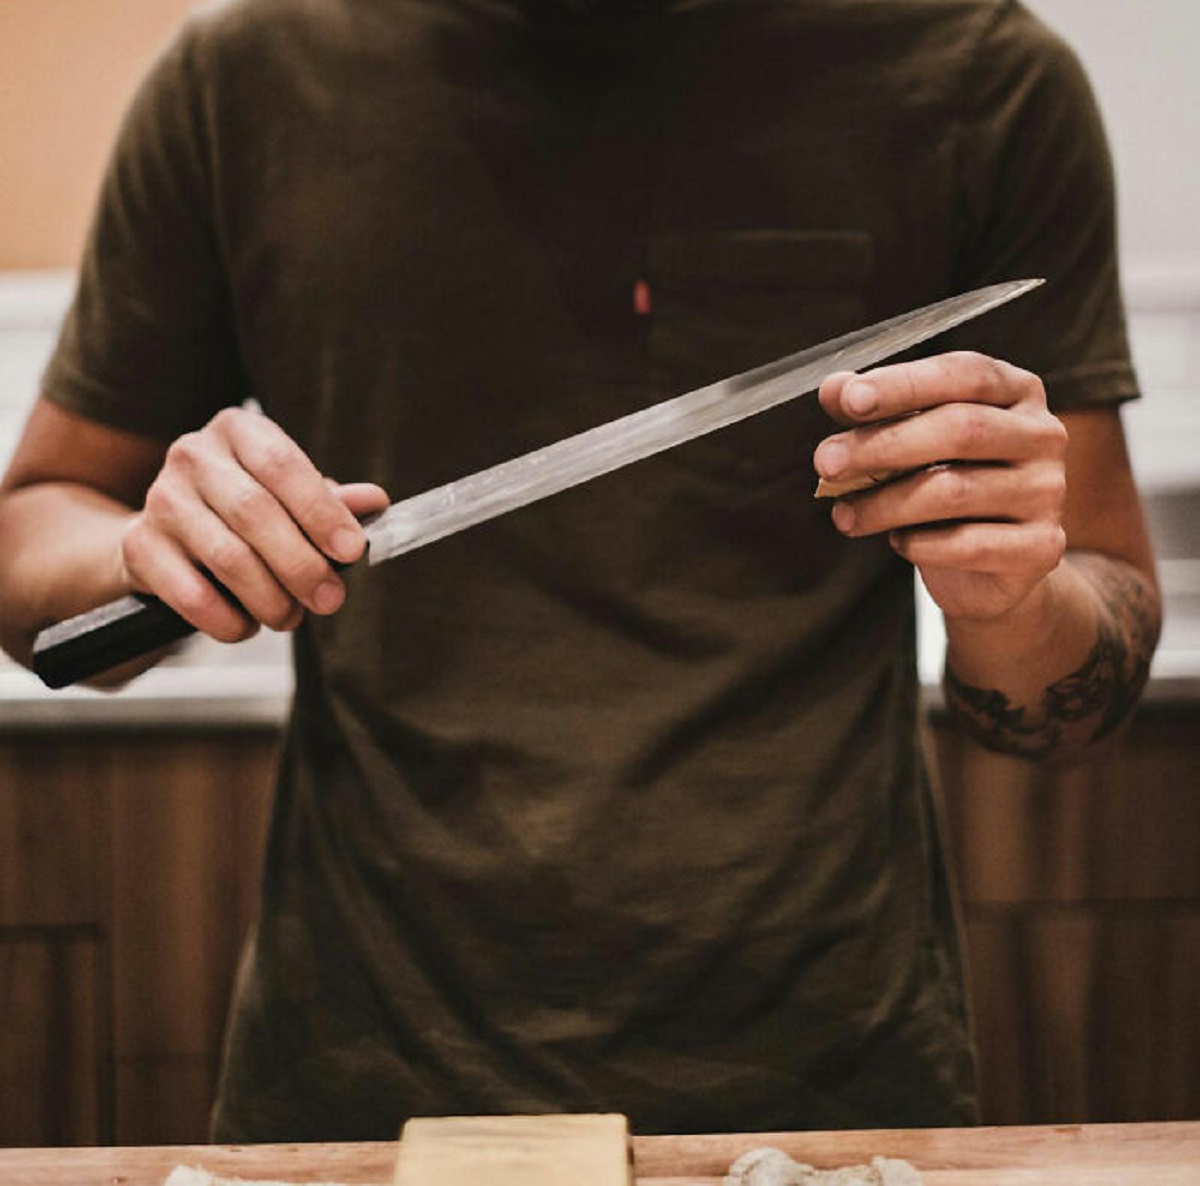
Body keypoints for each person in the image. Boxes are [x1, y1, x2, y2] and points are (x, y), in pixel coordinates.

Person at [0, 0, 1160, 1143]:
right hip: (359, 1082)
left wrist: (1012, 602)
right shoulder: (243, 77)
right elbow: (29, 544)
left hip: (824, 1094)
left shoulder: (977, 76)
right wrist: (148, 553)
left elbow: (1087, 658)